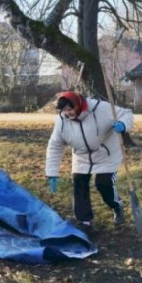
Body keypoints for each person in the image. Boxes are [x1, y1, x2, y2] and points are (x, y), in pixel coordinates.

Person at [45, 91, 134, 233]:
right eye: (64, 111)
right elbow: (55, 146)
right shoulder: (62, 121)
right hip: (82, 157)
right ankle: (85, 221)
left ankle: (116, 206)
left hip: (106, 154)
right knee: (79, 184)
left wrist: (123, 125)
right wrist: (52, 172)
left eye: (70, 109)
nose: (67, 113)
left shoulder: (101, 108)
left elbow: (126, 114)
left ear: (78, 105)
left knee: (103, 184)